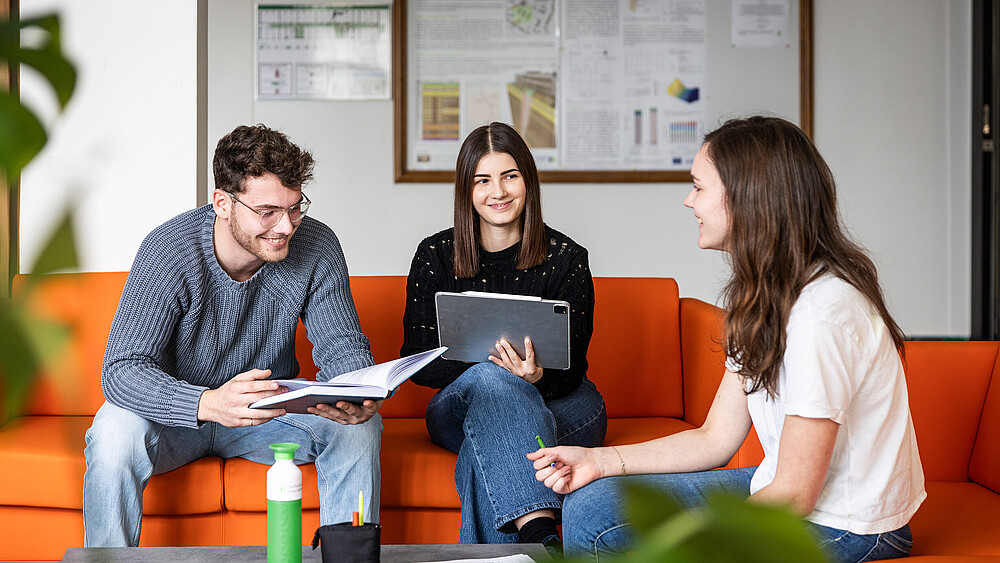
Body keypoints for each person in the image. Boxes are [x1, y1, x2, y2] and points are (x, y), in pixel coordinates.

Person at [529, 116, 926, 563]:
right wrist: (596, 462)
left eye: (698, 187)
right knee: (592, 505)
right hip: (785, 489)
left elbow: (796, 495)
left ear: (745, 199)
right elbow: (715, 438)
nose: (688, 201)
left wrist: (681, 542)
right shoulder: (764, 297)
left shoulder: (822, 314)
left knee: (643, 544)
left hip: (849, 527)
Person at [84, 124, 382, 547]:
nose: (286, 226)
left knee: (361, 429)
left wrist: (357, 393)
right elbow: (121, 370)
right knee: (113, 430)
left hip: (267, 417)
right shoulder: (169, 250)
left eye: (295, 207)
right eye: (267, 212)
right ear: (222, 203)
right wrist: (207, 402)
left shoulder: (317, 245)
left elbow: (342, 346)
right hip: (175, 419)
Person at [401, 122, 607, 551]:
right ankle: (540, 536)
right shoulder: (434, 255)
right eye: (483, 180)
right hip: (457, 407)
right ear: (466, 190)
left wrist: (533, 379)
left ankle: (532, 545)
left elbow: (573, 369)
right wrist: (493, 369)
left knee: (488, 446)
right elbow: (417, 360)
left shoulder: (567, 259)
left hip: (565, 405)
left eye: (509, 176)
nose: (498, 191)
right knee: (493, 383)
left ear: (527, 181)